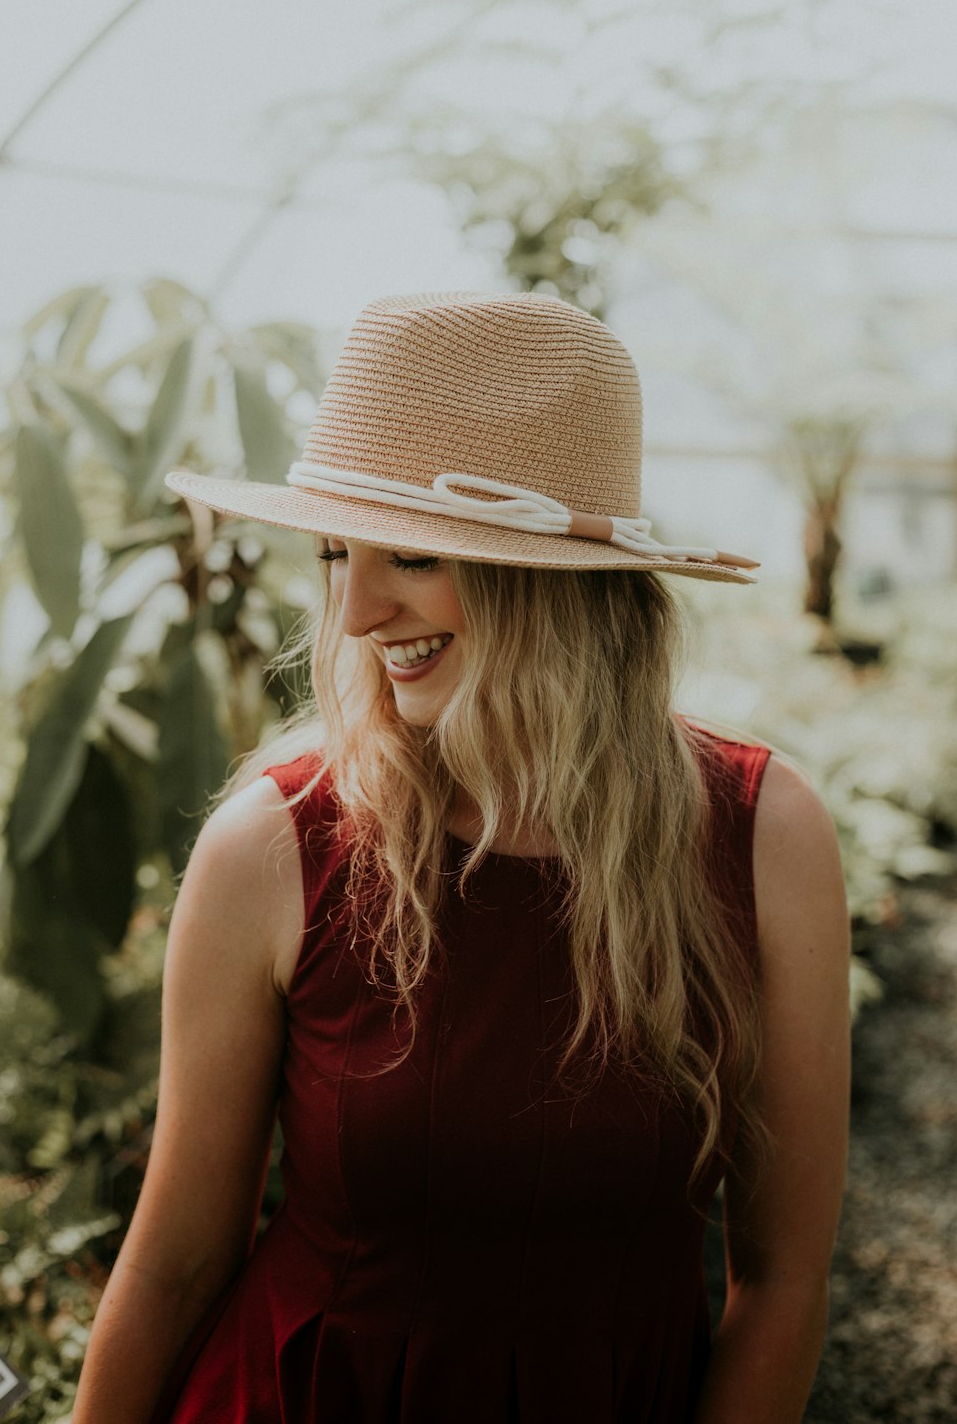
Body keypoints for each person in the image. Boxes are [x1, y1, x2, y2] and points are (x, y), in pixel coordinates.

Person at [72, 291, 850, 1424]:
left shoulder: (763, 835)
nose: (355, 614)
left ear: (551, 580)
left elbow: (780, 1279)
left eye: (415, 557)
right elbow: (176, 1261)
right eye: (337, 554)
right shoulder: (276, 845)